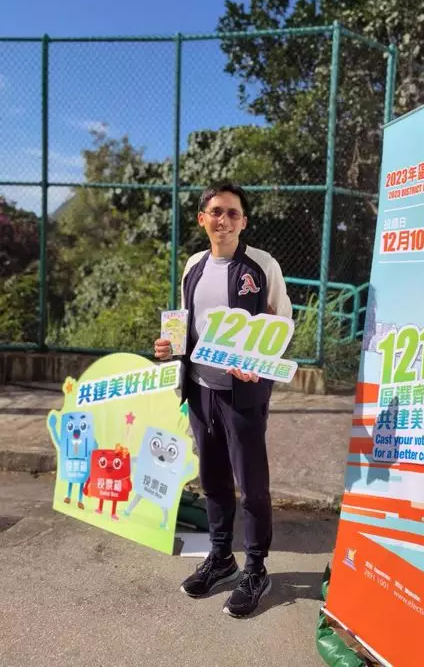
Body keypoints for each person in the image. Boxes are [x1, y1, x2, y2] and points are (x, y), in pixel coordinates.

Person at [154, 181, 292, 618]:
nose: (224, 220)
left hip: (243, 395)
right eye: (216, 211)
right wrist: (169, 347)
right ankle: (221, 559)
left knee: (251, 486)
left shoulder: (263, 265)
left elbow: (281, 322)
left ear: (243, 222)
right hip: (200, 390)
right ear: (202, 219)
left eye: (233, 213)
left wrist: (260, 362)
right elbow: (184, 324)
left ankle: (256, 569)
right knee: (212, 479)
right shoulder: (193, 266)